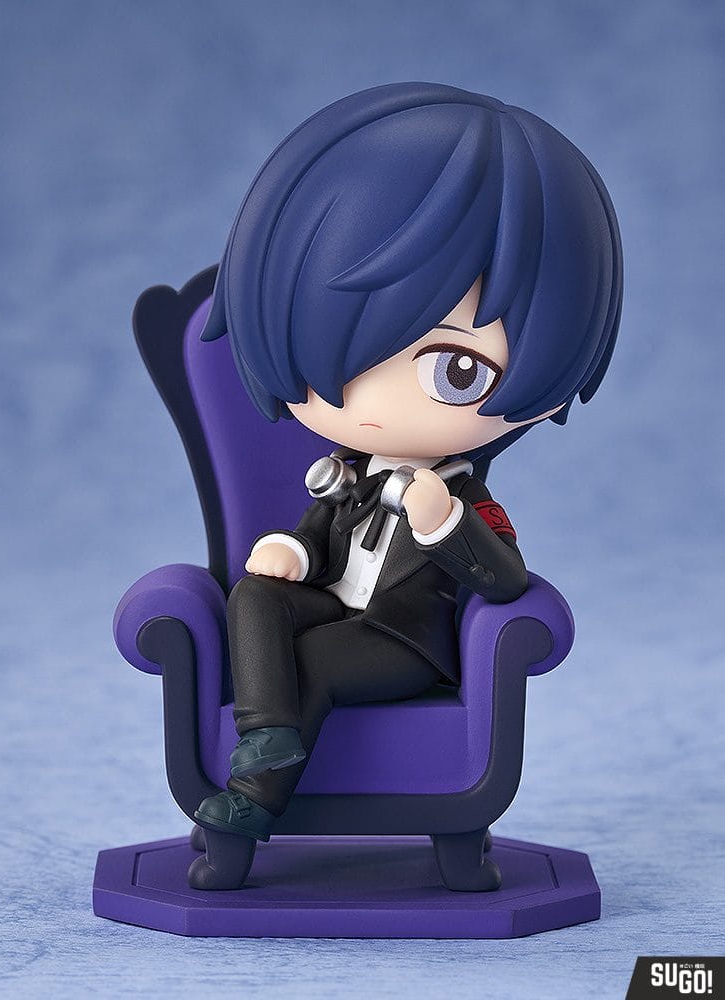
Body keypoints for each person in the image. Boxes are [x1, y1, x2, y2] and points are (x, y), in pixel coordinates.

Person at [192, 83, 622, 842]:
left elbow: (505, 580)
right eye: (344, 357)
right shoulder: (349, 472)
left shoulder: (463, 497)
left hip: (401, 642)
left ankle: (257, 798)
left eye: (457, 370)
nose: (374, 405)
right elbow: (320, 534)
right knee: (254, 596)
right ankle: (269, 733)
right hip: (334, 602)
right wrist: (293, 551)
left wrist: (444, 523)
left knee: (316, 660)